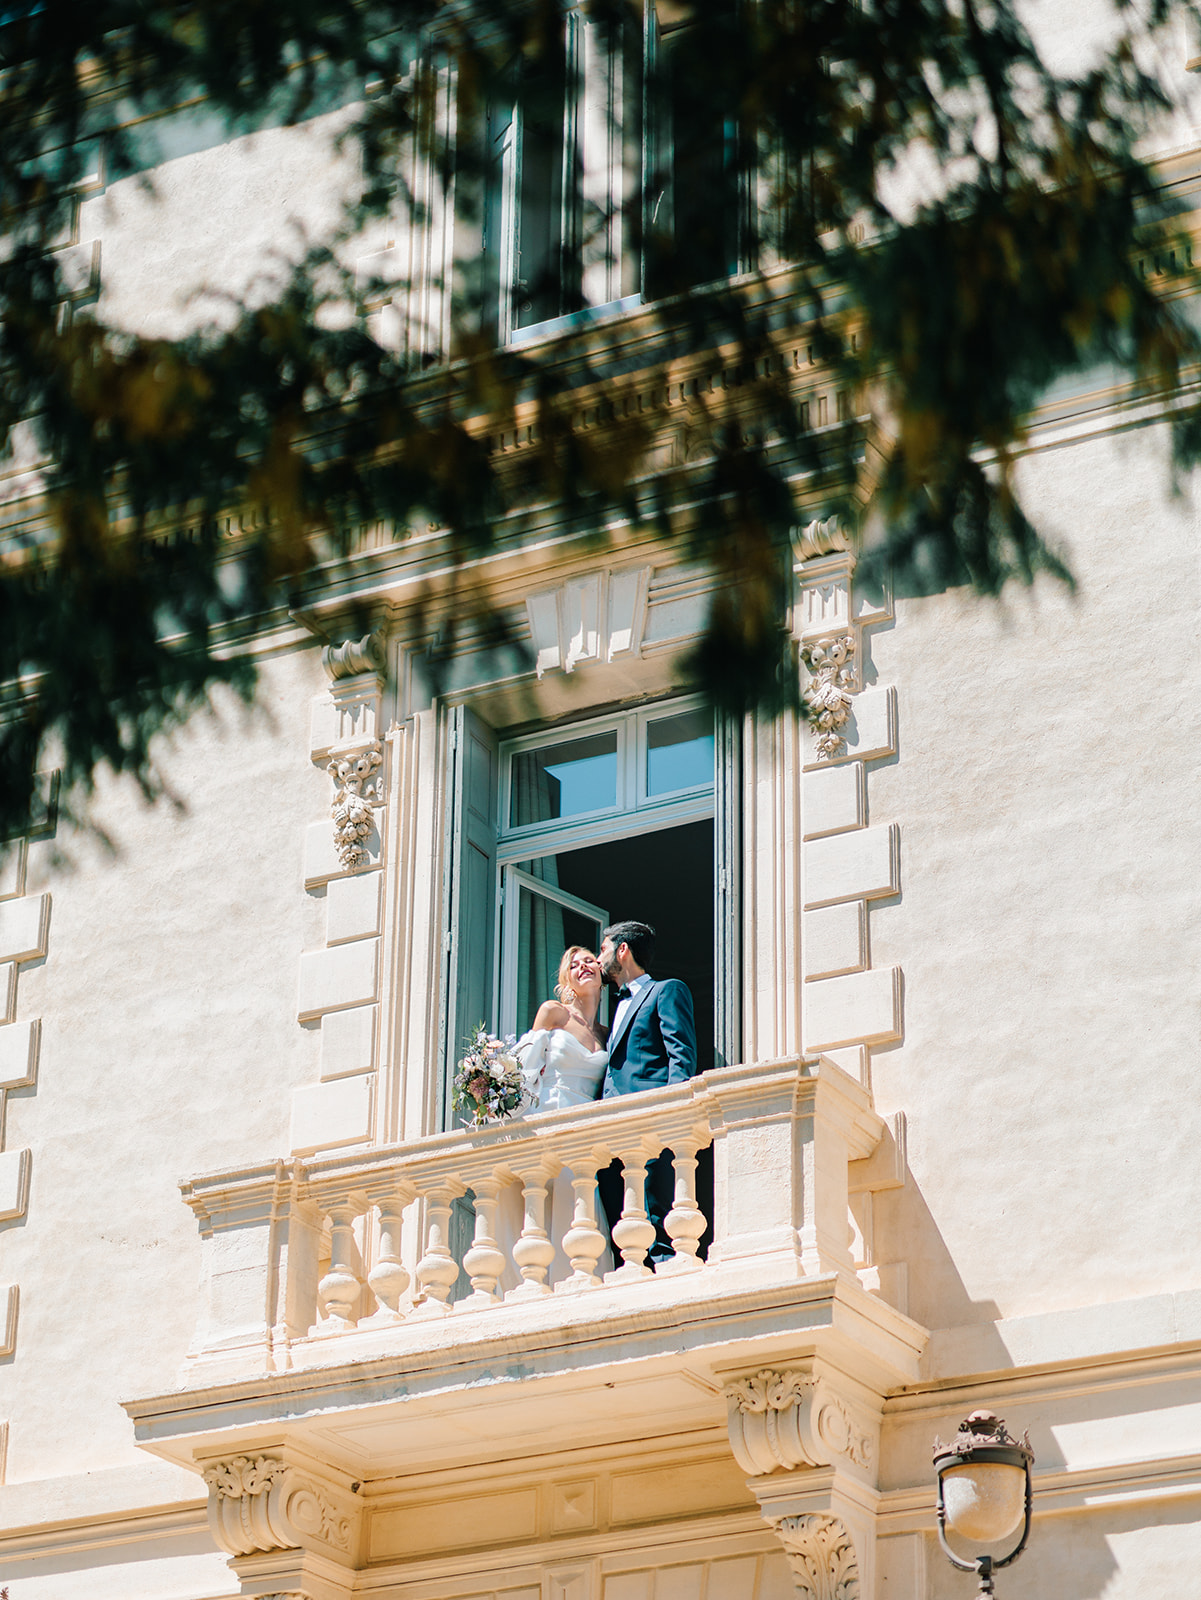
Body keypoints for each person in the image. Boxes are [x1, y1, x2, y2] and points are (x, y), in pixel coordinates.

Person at [500, 946, 613, 1286]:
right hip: (552, 1111)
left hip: (587, 1127)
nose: (583, 967)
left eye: (590, 961)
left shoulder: (608, 1033)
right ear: (566, 979)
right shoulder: (554, 1013)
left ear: (602, 972)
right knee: (551, 1201)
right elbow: (523, 1069)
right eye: (573, 965)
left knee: (582, 1206)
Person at [596, 919, 698, 1266]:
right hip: (610, 1128)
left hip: (648, 1121)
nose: (599, 958)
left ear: (622, 950)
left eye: (603, 949)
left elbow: (680, 1055)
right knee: (621, 1213)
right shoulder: (612, 1007)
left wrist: (670, 1114)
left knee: (654, 1209)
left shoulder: (666, 990)